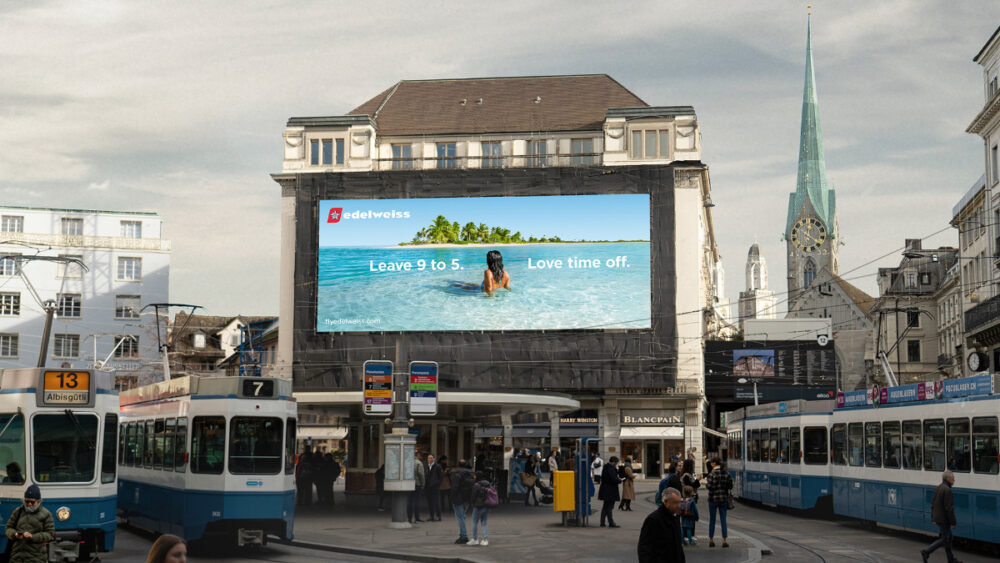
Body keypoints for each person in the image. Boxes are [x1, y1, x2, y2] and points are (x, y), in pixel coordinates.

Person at [5, 485, 55, 563]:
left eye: (32, 502)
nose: (29, 504)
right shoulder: (18, 511)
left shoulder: (46, 514)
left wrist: (32, 536)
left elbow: (50, 534)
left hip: (36, 558)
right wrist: (15, 534)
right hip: (17, 557)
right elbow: (8, 528)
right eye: (27, 501)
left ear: (38, 501)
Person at [637, 487, 686, 563]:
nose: (679, 505)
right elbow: (644, 548)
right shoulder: (653, 519)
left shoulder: (675, 517)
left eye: (680, 502)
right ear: (666, 502)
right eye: (676, 502)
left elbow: (678, 547)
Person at [921, 470, 959, 563]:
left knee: (948, 538)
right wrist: (953, 522)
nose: (954, 480)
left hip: (939, 518)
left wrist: (933, 517)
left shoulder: (939, 487)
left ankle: (951, 559)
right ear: (948, 479)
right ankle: (926, 551)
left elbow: (933, 503)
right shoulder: (947, 490)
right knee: (945, 538)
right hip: (944, 519)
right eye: (953, 478)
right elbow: (949, 508)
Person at [706, 458, 732, 548]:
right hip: (723, 499)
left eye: (711, 463)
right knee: (723, 520)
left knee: (712, 520)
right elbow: (730, 486)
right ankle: (724, 541)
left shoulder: (712, 474)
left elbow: (709, 486)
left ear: (714, 463)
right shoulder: (726, 473)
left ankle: (711, 540)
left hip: (713, 499)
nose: (710, 464)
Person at [450, 459, 475, 544]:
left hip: (458, 499)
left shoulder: (457, 474)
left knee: (460, 518)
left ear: (458, 465)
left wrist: (452, 498)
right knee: (463, 517)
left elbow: (454, 488)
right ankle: (462, 535)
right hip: (467, 499)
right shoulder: (470, 474)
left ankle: (463, 536)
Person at [467, 472, 493, 546]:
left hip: (478, 506)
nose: (474, 476)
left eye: (475, 475)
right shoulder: (488, 484)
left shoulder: (476, 485)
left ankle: (475, 539)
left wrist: (472, 504)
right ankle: (485, 539)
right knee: (484, 522)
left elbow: (473, 496)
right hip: (487, 505)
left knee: (474, 522)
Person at [598, 456, 621, 527]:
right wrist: (620, 480)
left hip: (605, 490)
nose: (616, 464)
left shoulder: (606, 467)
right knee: (609, 507)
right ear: (614, 462)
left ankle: (602, 522)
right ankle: (611, 522)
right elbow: (614, 479)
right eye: (616, 463)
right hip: (610, 490)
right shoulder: (610, 468)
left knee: (605, 506)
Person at [680, 459, 701, 539]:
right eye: (693, 465)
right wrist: (698, 480)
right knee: (689, 517)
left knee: (689, 517)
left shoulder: (688, 475)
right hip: (687, 500)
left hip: (689, 499)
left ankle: (689, 534)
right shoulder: (686, 475)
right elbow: (691, 486)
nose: (694, 466)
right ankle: (687, 535)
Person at [408, 454, 426, 523]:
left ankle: (409, 518)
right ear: (418, 456)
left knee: (409, 502)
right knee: (417, 501)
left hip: (409, 484)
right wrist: (423, 484)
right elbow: (421, 474)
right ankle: (417, 518)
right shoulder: (419, 463)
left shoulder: (408, 462)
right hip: (417, 484)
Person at [425, 453, 443, 521]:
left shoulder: (437, 466)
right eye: (428, 458)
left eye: (431, 458)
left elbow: (441, 477)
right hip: (428, 487)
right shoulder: (427, 466)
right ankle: (431, 516)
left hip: (435, 487)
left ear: (434, 459)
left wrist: (438, 485)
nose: (430, 459)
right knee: (430, 502)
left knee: (436, 502)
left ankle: (438, 516)